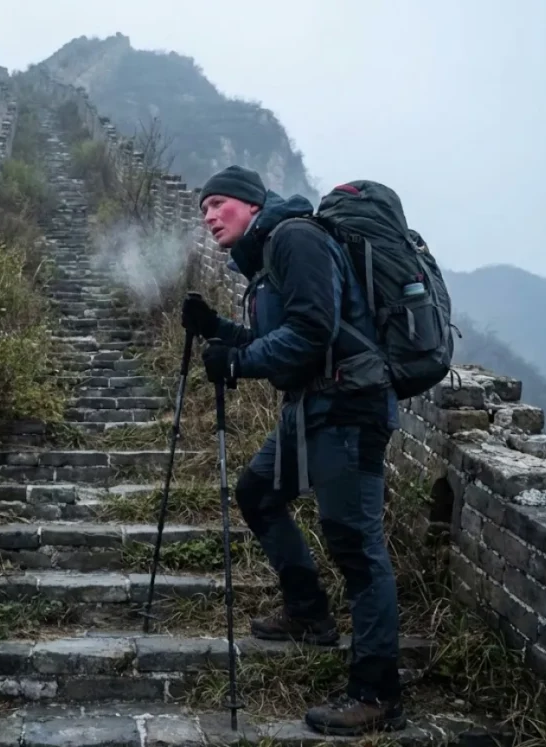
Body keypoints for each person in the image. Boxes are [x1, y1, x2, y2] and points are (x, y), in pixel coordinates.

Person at [181, 165, 404, 736]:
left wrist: (237, 363)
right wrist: (221, 332)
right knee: (258, 493)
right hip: (312, 405)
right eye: (203, 208)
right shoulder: (265, 259)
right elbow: (276, 341)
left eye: (219, 204)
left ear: (253, 204)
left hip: (349, 407)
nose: (208, 216)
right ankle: (309, 614)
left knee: (354, 543)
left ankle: (376, 691)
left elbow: (312, 331)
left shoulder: (295, 238)